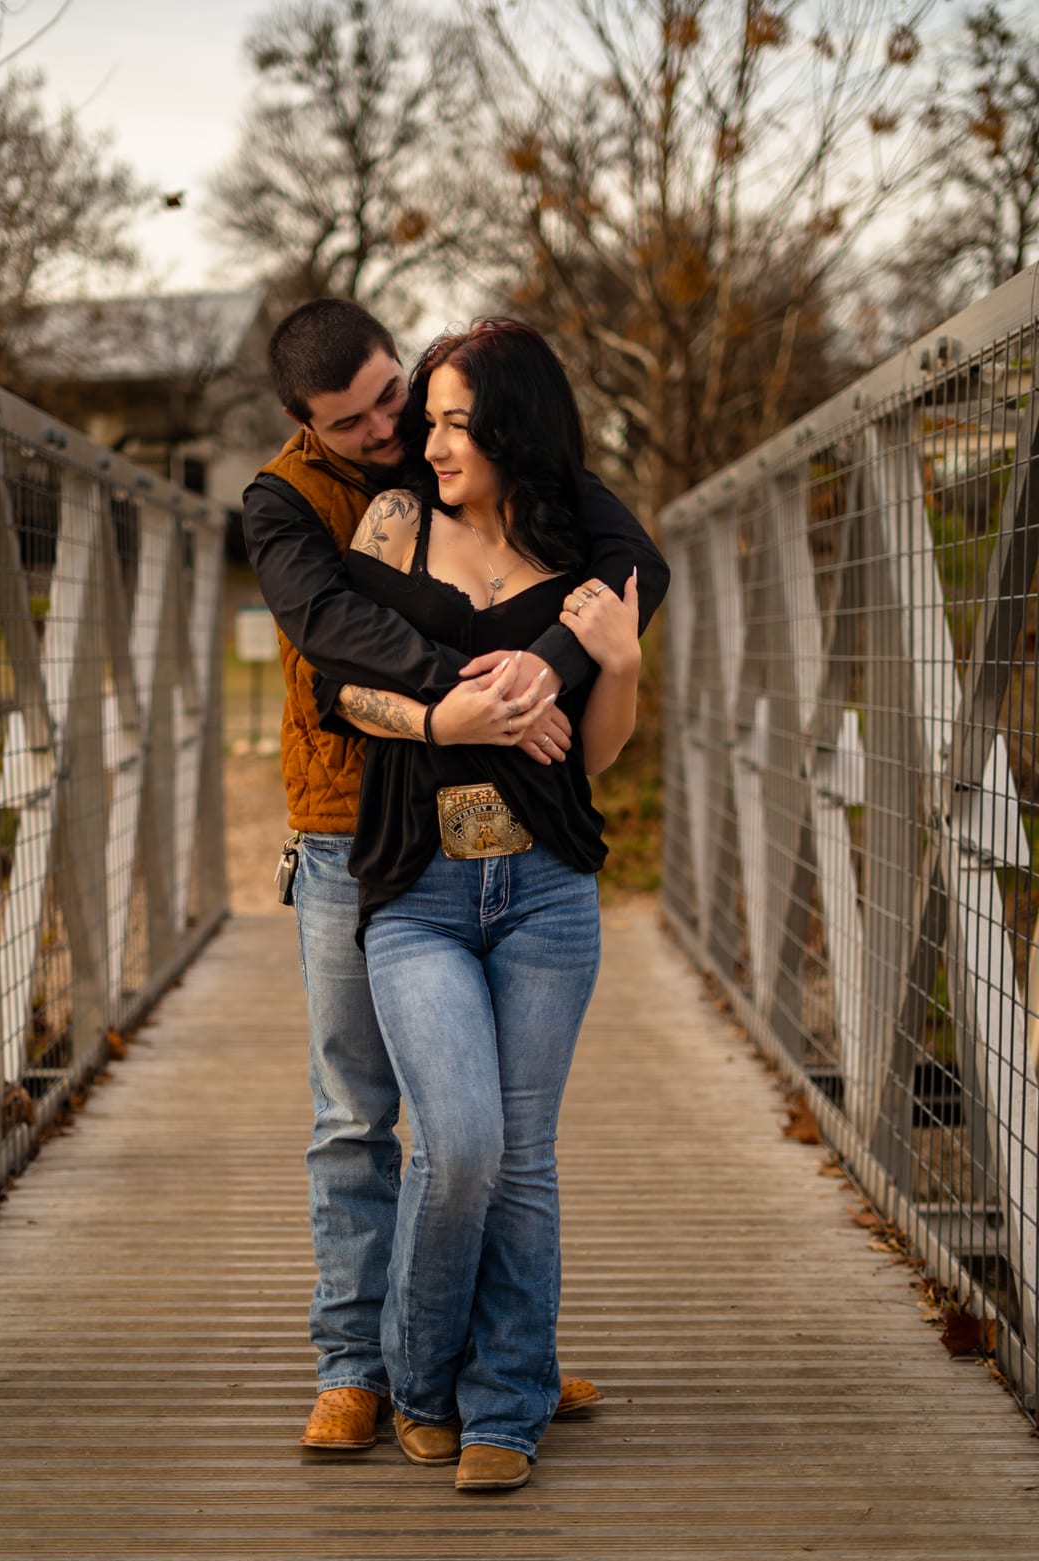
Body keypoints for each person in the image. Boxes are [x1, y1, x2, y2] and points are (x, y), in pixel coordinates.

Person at [241, 300, 669, 1455]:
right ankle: (357, 1369)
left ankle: (498, 1368)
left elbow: (637, 561)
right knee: (359, 1116)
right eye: (362, 417)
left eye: (405, 398)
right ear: (306, 423)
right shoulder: (293, 504)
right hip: (355, 829)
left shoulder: (504, 467)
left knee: (491, 1143)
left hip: (524, 863)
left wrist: (556, 666)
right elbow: (331, 637)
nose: (395, 429)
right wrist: (469, 705)